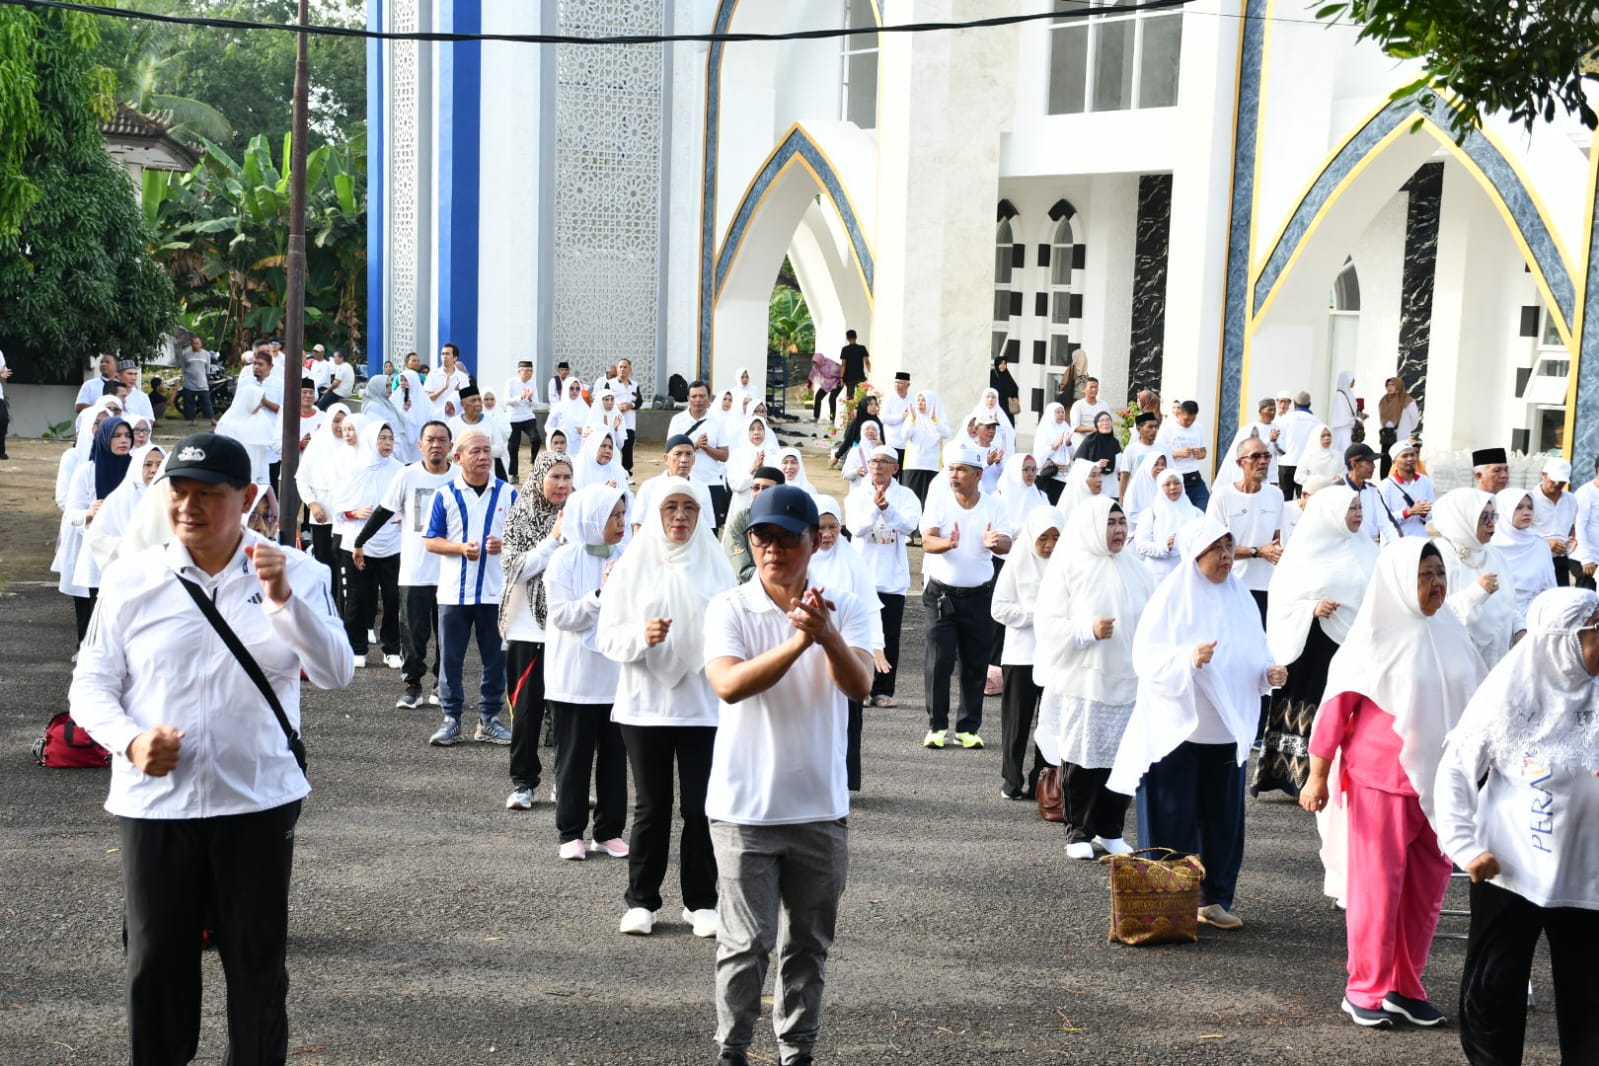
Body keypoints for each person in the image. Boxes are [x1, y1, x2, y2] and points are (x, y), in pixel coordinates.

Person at [68, 432, 352, 1066]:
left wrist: (285, 604)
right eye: (179, 492)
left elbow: (337, 672)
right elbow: (90, 685)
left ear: (247, 498)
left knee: (256, 970)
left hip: (255, 800)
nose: (189, 507)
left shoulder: (297, 571)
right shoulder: (133, 577)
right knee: (156, 968)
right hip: (156, 807)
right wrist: (131, 739)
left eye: (208, 495)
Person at [702, 485, 873, 1066]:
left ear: (812, 542)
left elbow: (860, 686)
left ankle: (796, 1051)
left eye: (784, 537)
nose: (771, 548)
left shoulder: (844, 605)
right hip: (743, 808)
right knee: (746, 945)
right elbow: (729, 685)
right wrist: (804, 640)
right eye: (760, 536)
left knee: (807, 945)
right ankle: (733, 1050)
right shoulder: (730, 606)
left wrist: (825, 635)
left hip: (819, 809)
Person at [1300, 538, 1485, 1029]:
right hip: (1381, 780)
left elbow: (1478, 698)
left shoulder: (1451, 630)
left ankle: (1406, 987)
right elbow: (1334, 709)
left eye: (1440, 573)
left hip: (1442, 787)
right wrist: (1317, 776)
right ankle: (1365, 988)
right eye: (1425, 575)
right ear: (1402, 579)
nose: (1436, 584)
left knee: (1426, 892)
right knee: (1379, 889)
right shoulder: (1376, 635)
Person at [1435, 588, 1599, 1065]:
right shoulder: (1508, 694)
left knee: (1590, 997)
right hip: (1508, 870)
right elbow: (1455, 772)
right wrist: (1464, 846)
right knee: (1495, 990)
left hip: (1586, 877)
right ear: (1563, 641)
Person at [1109, 518, 1289, 930]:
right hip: (1178, 730)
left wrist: (1268, 673)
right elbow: (1147, 660)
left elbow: (1254, 651)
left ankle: (1214, 897)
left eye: (1230, 548)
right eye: (1217, 550)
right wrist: (1187, 659)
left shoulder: (1240, 596)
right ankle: (1165, 905)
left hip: (1225, 730)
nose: (1226, 558)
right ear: (1196, 554)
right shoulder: (1172, 598)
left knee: (1222, 819)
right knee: (1171, 816)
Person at [598, 479, 733, 934]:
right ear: (655, 513)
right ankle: (641, 901)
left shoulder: (717, 569)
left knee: (701, 807)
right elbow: (607, 637)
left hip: (702, 707)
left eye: (690, 508)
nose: (680, 516)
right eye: (671, 507)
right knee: (652, 806)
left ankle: (700, 902)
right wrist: (644, 637)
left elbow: (737, 634)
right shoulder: (630, 567)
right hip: (644, 707)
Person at [1036, 496, 1153, 856]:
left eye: (1121, 522)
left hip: (1127, 680)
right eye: (1110, 523)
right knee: (1083, 757)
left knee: (1123, 759)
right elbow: (1048, 622)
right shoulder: (1071, 565)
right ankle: (1078, 832)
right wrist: (1087, 630)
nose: (1118, 530)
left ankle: (1111, 829)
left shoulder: (1135, 567)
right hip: (1084, 680)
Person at [1257, 486, 1378, 798]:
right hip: (1312, 643)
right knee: (1311, 708)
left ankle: (1336, 777)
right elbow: (1282, 599)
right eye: (1351, 509)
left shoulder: (1365, 547)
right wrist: (1311, 608)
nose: (1358, 514)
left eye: (1359, 508)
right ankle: (1296, 777)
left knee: (1341, 708)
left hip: (1351, 643)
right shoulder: (1305, 551)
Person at [543, 483, 630, 861]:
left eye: (623, 515)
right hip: (573, 678)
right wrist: (600, 596)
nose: (621, 523)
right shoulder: (564, 560)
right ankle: (570, 831)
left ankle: (609, 831)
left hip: (615, 676)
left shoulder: (626, 556)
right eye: (614, 516)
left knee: (614, 758)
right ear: (593, 518)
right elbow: (562, 616)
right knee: (574, 759)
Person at [351, 420, 457, 709]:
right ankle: (412, 685)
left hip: (452, 570)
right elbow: (384, 511)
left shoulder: (461, 477)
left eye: (442, 440)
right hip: (415, 568)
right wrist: (360, 541)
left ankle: (442, 683)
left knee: (449, 632)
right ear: (420, 445)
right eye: (430, 440)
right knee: (413, 632)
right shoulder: (406, 476)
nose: (436, 445)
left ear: (450, 445)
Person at [422, 427, 517, 746]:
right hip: (453, 593)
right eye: (475, 451)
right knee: (450, 658)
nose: (483, 457)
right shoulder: (444, 495)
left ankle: (489, 718)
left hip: (496, 592)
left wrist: (504, 544)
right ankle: (451, 719)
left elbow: (522, 539)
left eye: (487, 451)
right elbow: (431, 542)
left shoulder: (508, 493)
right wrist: (461, 548)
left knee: (496, 659)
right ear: (458, 457)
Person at [919, 443, 1013, 750]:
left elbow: (1007, 543)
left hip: (979, 597)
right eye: (951, 469)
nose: (954, 475)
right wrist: (947, 544)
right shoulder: (940, 501)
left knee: (975, 662)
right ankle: (937, 726)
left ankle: (968, 728)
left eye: (961, 470)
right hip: (941, 596)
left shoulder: (995, 505)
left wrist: (994, 542)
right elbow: (927, 540)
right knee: (940, 660)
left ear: (978, 474)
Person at [498, 451, 573, 809]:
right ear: (539, 478)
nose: (561, 485)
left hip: (569, 628)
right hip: (528, 630)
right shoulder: (520, 517)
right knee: (525, 711)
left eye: (566, 478)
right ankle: (524, 783)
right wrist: (554, 539)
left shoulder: (579, 516)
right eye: (555, 477)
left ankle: (566, 783)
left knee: (566, 715)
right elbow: (516, 568)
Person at [810, 496, 889, 792]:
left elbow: (870, 606)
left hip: (848, 650)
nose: (827, 534)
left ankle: (845, 780)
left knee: (847, 721)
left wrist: (876, 646)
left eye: (833, 526)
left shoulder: (853, 561)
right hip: (810, 654)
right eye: (821, 527)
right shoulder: (800, 561)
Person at [991, 505, 1063, 801]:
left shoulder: (1067, 565)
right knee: (1017, 722)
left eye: (1056, 538)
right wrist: (1039, 615)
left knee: (1051, 722)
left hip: (1057, 656)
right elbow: (999, 608)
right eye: (1043, 538)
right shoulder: (1018, 562)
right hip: (1022, 655)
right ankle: (1012, 779)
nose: (1049, 545)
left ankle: (1043, 781)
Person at [845, 446, 921, 708]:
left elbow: (909, 526)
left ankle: (884, 691)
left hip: (892, 577)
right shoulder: (857, 494)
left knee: (889, 636)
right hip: (862, 577)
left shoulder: (907, 495)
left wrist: (888, 509)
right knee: (861, 635)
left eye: (884, 462)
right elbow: (856, 528)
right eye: (874, 461)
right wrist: (876, 510)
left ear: (895, 468)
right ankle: (862, 686)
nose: (877, 466)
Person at [1431, 488, 1526, 668]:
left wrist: (1520, 630)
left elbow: (1509, 604)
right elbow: (1436, 615)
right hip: (1459, 662)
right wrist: (1477, 592)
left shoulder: (1494, 554)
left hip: (1498, 659)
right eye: (1483, 517)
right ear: (1461, 519)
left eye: (1493, 516)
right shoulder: (1438, 558)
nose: (1491, 524)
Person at [337, 420, 405, 668]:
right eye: (382, 438)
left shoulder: (400, 470)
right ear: (370, 440)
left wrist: (401, 516)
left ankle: (392, 648)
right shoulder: (356, 469)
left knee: (392, 597)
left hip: (392, 543)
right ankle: (356, 647)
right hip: (358, 545)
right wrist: (354, 513)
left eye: (390, 438)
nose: (387, 443)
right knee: (359, 597)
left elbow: (405, 501)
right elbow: (338, 508)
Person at [60, 417, 134, 641]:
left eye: (127, 436)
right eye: (116, 435)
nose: (123, 440)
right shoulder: (87, 472)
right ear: (103, 438)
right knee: (97, 615)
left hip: (131, 554)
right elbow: (70, 518)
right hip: (96, 554)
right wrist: (88, 514)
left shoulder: (137, 470)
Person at [1206, 437, 1285, 623]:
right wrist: (1256, 552)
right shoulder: (1222, 496)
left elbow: (1277, 541)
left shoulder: (1275, 495)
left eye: (1267, 456)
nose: (1263, 461)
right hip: (1230, 584)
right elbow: (1213, 547)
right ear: (1240, 463)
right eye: (1256, 456)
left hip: (1266, 587)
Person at [295, 404, 354, 613]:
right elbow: (302, 478)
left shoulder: (355, 446)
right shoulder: (318, 444)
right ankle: (326, 608)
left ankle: (347, 610)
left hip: (349, 517)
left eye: (344, 421)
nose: (340, 426)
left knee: (346, 565)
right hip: (322, 514)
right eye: (336, 421)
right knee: (324, 563)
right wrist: (312, 503)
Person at [669, 380, 732, 530]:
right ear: (688, 398)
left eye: (702, 396)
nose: (698, 400)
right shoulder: (678, 420)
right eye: (694, 396)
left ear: (709, 399)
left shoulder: (718, 422)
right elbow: (670, 452)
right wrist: (694, 446)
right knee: (684, 527)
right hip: (684, 481)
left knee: (710, 530)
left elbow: (724, 455)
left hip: (711, 483)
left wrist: (706, 447)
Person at [1490, 487, 1556, 616]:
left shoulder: (1539, 543)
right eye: (1519, 507)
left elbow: (1549, 588)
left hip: (1534, 616)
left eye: (1530, 508)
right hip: (1497, 616)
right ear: (1503, 510)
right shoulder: (1490, 545)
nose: (1526, 513)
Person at [721, 466, 785, 582]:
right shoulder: (741, 520)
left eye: (766, 489)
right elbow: (742, 568)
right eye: (756, 488)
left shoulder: (790, 521)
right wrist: (770, 578)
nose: (759, 493)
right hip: (748, 588)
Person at [1157, 400, 1211, 510]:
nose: (1189, 423)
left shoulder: (1199, 428)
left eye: (1193, 419)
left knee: (1205, 509)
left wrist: (1199, 454)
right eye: (1186, 419)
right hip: (1175, 476)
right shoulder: (1168, 428)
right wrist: (1177, 454)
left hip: (1194, 476)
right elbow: (1158, 454)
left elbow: (1204, 452)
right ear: (1179, 414)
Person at [902, 389, 953, 507]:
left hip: (932, 466)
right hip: (913, 465)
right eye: (918, 400)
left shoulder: (937, 418)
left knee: (929, 502)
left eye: (924, 400)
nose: (920, 403)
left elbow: (947, 434)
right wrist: (913, 420)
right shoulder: (912, 417)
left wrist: (934, 420)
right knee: (912, 502)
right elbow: (905, 435)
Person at [1376, 439, 1435, 538]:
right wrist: (1408, 512)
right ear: (1394, 461)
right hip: (1394, 542)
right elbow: (1381, 519)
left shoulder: (1425, 482)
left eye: (1413, 455)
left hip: (1419, 540)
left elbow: (1431, 512)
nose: (1410, 459)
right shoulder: (1385, 485)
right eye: (1405, 456)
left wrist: (1424, 513)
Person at [1338, 443, 1389, 543]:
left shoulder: (1373, 491)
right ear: (1354, 464)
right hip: (1345, 548)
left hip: (1370, 547)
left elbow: (1386, 523)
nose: (1374, 466)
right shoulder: (1336, 489)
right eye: (1369, 462)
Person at [503, 360, 541, 481]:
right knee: (513, 446)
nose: (529, 373)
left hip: (528, 416)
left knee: (537, 439)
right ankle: (514, 474)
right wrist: (521, 396)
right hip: (513, 418)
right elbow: (507, 401)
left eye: (531, 371)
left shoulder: (532, 384)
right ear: (519, 371)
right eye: (526, 371)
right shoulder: (511, 382)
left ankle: (533, 461)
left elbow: (536, 404)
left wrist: (530, 398)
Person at [1376, 377, 1420, 478]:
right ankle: (1385, 482)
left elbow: (1415, 419)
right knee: (1386, 460)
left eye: (1393, 385)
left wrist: (1406, 429)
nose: (1390, 388)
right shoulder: (1384, 400)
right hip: (1387, 436)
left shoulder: (1407, 401)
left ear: (1398, 386)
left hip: (1401, 436)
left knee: (1399, 459)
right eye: (1388, 385)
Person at [1277, 391, 1317, 499]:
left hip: (1286, 464)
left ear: (1294, 404)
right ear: (1309, 405)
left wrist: (1283, 455)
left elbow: (1278, 443)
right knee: (1303, 501)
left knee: (1285, 500)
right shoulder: (1317, 421)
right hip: (1306, 466)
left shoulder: (1285, 419)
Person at [1032, 402, 1074, 506]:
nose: (1061, 414)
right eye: (1057, 412)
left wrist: (1068, 444)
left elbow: (1073, 454)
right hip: (1049, 474)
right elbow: (1039, 454)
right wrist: (1055, 446)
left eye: (1062, 412)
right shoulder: (1044, 429)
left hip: (1064, 475)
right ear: (1050, 414)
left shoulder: (1066, 428)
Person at [1076, 411, 1124, 498]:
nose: (1105, 423)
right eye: (1101, 420)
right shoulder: (1090, 441)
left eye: (1108, 420)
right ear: (1096, 424)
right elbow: (1078, 463)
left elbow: (1120, 466)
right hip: (1093, 489)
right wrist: (1096, 465)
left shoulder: (1115, 442)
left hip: (1112, 489)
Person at [423, 342, 470, 418]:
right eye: (442, 354)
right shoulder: (433, 374)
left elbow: (467, 400)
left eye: (447, 354)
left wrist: (457, 393)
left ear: (455, 358)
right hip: (436, 417)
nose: (444, 357)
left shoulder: (463, 377)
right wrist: (443, 388)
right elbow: (427, 398)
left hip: (455, 417)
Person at [178, 336, 217, 425]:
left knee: (206, 402)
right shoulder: (186, 355)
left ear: (201, 344)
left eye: (197, 343)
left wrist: (207, 379)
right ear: (191, 344)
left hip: (202, 384)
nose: (195, 345)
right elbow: (183, 369)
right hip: (189, 383)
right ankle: (192, 420)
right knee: (189, 403)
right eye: (193, 343)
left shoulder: (206, 354)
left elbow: (207, 369)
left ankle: (212, 419)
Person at [1574, 455, 1599, 589]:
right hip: (1586, 561)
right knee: (1585, 602)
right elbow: (1579, 526)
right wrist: (1586, 558)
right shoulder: (1585, 493)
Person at [612, 358, 641, 474]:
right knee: (614, 446)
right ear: (617, 369)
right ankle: (614, 471)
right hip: (614, 421)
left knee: (628, 447)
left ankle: (627, 472)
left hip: (629, 422)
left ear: (630, 369)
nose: (622, 369)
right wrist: (616, 406)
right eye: (620, 367)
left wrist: (631, 404)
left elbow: (639, 401)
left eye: (625, 367)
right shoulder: (610, 384)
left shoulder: (635, 385)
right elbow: (602, 399)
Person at [879, 371, 912, 470]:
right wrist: (901, 416)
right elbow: (883, 418)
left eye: (900, 383)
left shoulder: (913, 399)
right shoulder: (889, 398)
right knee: (892, 472)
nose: (897, 385)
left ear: (908, 384)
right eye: (896, 383)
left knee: (905, 474)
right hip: (892, 442)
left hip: (908, 444)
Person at [1294, 424, 1342, 490]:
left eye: (1329, 435)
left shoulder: (1338, 455)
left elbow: (1344, 472)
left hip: (1333, 491)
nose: (1327, 438)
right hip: (1313, 492)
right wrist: (1317, 480)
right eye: (1323, 436)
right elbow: (1298, 477)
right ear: (1316, 437)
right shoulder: (1308, 455)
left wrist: (1339, 477)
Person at [1068, 377, 1110, 451]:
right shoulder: (1078, 405)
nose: (1094, 389)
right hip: (1082, 442)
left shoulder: (1104, 405)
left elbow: (1109, 423)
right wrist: (1092, 429)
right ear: (1084, 389)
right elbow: (1075, 427)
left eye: (1096, 387)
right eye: (1091, 387)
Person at [1328, 371, 1364, 456]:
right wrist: (1356, 420)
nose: (1354, 381)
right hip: (1342, 432)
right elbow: (1342, 418)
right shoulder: (1340, 396)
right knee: (1342, 455)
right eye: (1352, 379)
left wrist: (1358, 417)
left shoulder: (1348, 393)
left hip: (1348, 431)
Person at [809, 350, 843, 424]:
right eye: (814, 362)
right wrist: (809, 386)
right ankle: (815, 417)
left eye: (816, 362)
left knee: (832, 399)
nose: (815, 364)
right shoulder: (816, 367)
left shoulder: (831, 365)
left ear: (820, 360)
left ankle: (832, 419)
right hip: (828, 383)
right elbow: (811, 375)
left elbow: (841, 372)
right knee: (818, 397)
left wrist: (842, 380)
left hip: (838, 382)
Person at [990, 356, 1020, 425]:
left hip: (1007, 407)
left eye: (1004, 364)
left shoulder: (1006, 375)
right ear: (997, 364)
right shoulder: (992, 375)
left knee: (1008, 426)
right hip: (996, 407)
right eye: (1000, 363)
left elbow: (1014, 388)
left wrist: (1015, 398)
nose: (1003, 366)